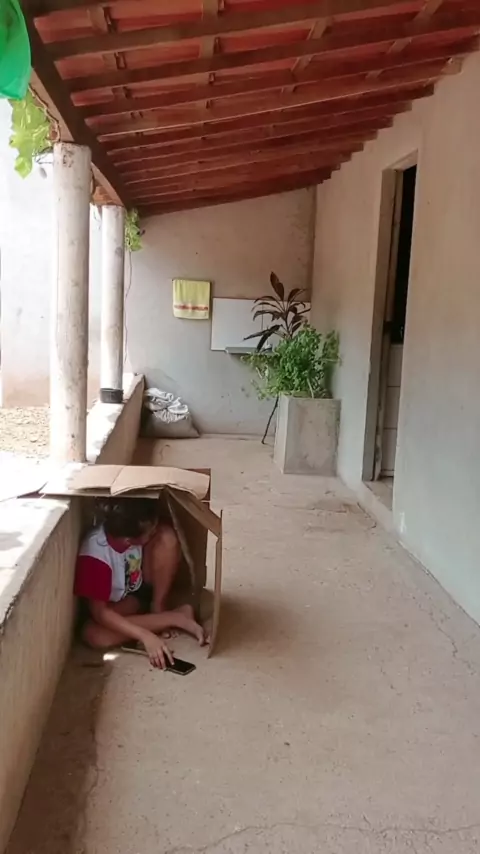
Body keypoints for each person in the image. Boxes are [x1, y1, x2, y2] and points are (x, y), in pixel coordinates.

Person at [74, 497, 206, 669]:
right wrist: (145, 636)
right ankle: (175, 617)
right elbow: (100, 613)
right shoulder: (96, 557)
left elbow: (159, 534)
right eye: (150, 534)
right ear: (129, 541)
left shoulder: (131, 526)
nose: (153, 533)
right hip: (115, 605)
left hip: (138, 590)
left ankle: (158, 610)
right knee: (95, 636)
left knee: (167, 537)